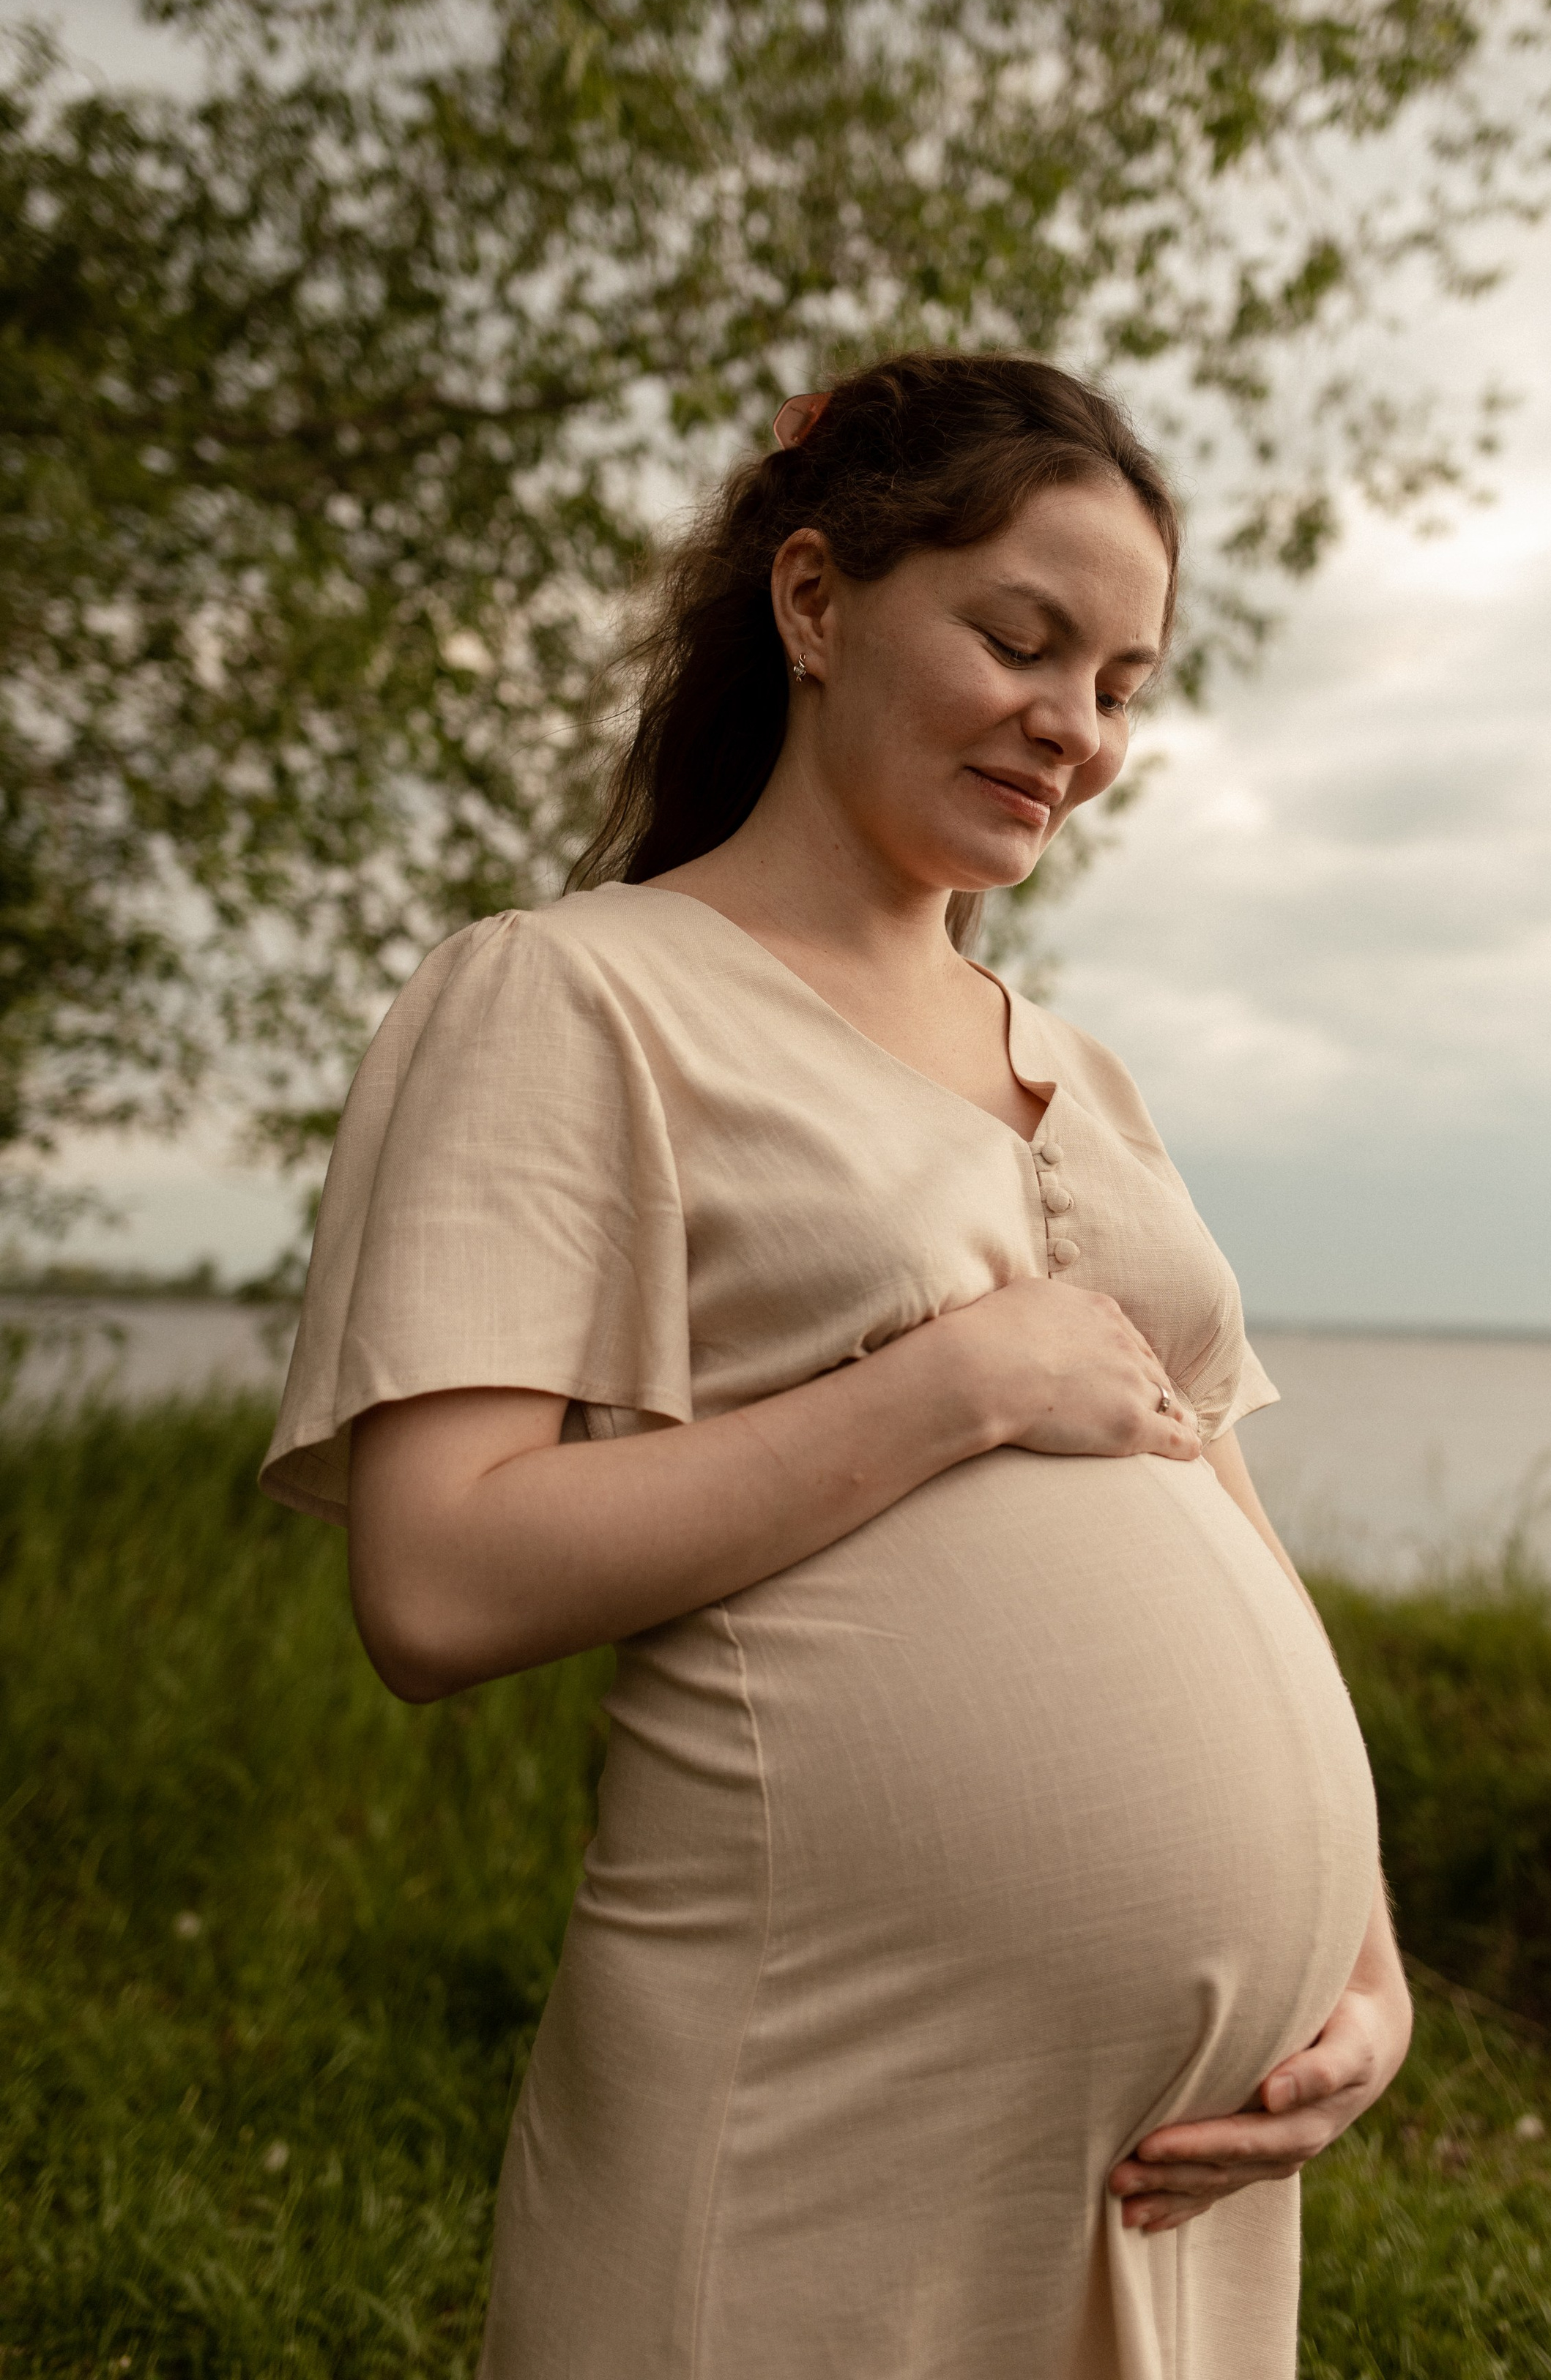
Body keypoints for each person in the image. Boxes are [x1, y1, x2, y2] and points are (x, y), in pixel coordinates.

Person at [261, 350, 1411, 2380]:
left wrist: (1366, 1963)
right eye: (1021, 640)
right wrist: (948, 1387)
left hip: (1178, 2169)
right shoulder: (575, 996)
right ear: (814, 605)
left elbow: (1208, 1496)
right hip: (822, 2122)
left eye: (1124, 685)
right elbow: (435, 1584)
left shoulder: (1087, 1075)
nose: (1073, 729)